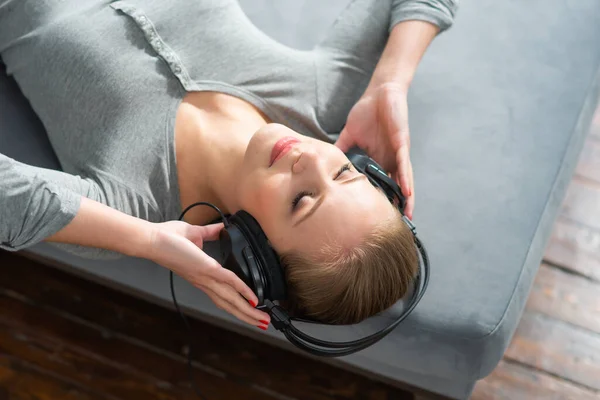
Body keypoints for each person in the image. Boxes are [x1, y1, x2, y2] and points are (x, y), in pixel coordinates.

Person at [0, 0, 458, 328]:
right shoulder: (318, 104)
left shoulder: (129, 209)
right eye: (344, 173)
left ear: (252, 252)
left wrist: (145, 240)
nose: (309, 158)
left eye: (301, 201)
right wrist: (390, 82)